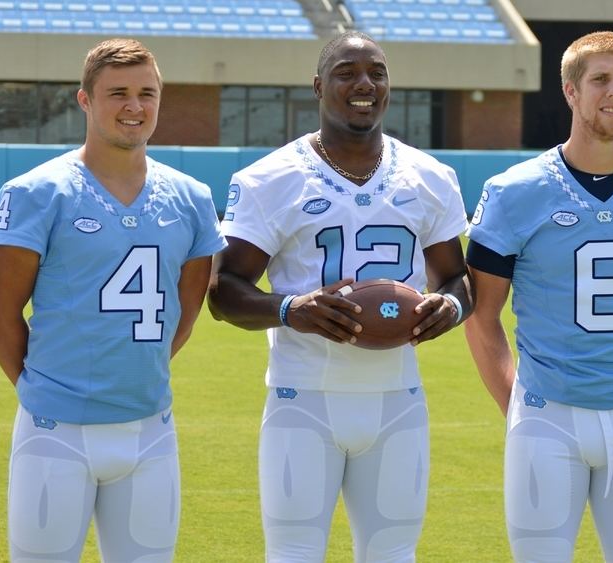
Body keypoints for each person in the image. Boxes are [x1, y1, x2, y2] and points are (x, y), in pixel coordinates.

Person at [207, 30, 472, 562]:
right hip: (302, 400)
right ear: (318, 86)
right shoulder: (269, 179)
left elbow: (455, 278)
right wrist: (290, 309)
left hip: (398, 401)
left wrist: (452, 306)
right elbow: (224, 291)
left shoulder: (430, 176)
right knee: (293, 555)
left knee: (394, 555)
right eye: (346, 72)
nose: (364, 83)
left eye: (376, 72)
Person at [464, 31, 613, 562]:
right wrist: (519, 404)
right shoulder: (514, 191)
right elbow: (482, 318)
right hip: (546, 416)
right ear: (571, 91)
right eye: (599, 79)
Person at [0, 38, 226, 562]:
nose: (134, 107)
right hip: (55, 430)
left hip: (150, 428)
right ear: (85, 100)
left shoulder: (191, 197)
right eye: (117, 93)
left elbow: (184, 313)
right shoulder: (36, 191)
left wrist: (141, 370)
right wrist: (40, 387)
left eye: (147, 93)